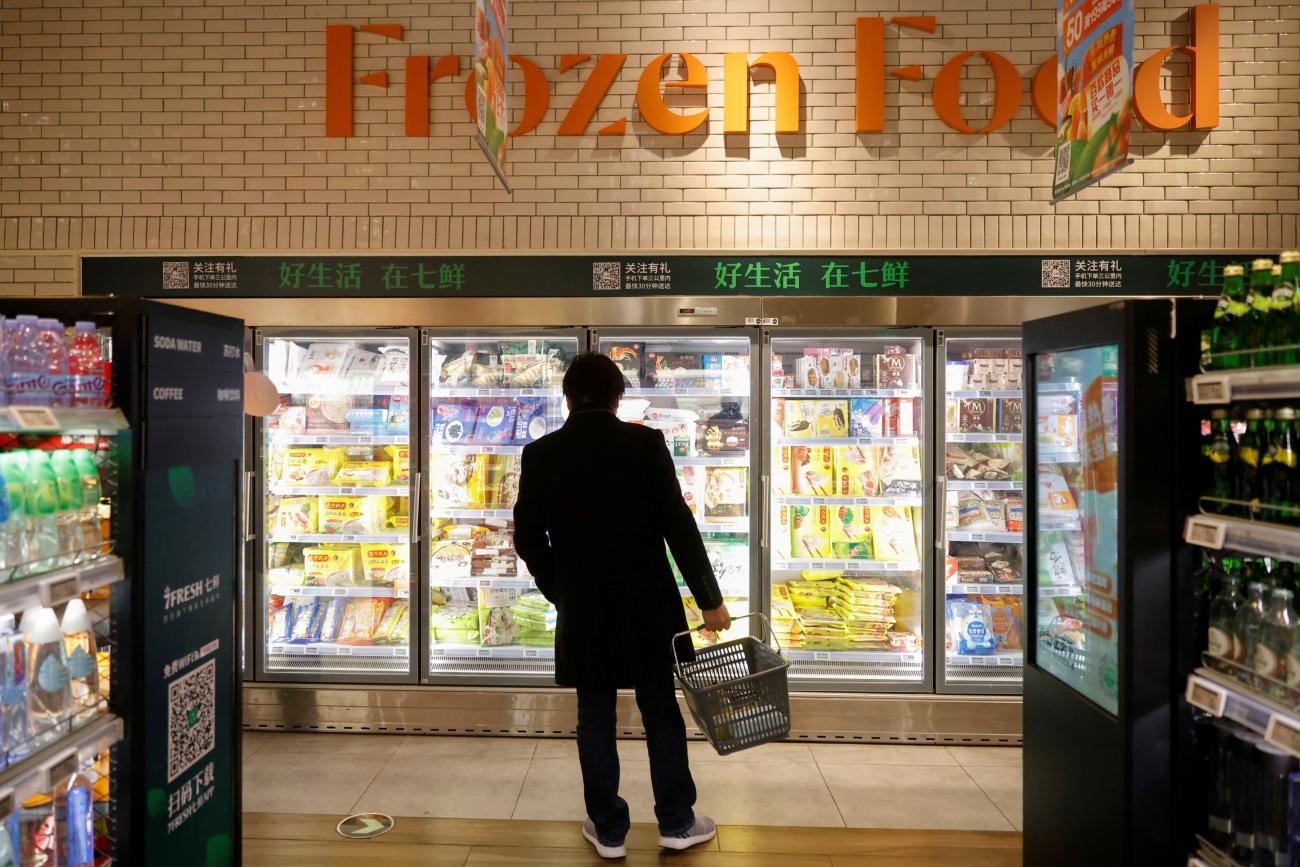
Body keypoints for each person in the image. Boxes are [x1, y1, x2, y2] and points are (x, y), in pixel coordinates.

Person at [514, 352, 732, 860]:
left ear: (567, 400)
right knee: (661, 712)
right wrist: (710, 600)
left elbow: (527, 539)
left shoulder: (541, 453)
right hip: (648, 607)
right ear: (618, 399)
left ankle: (609, 829)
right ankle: (677, 822)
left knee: (594, 714)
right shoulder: (645, 444)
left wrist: (560, 589)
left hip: (584, 609)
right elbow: (679, 525)